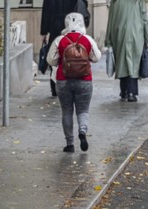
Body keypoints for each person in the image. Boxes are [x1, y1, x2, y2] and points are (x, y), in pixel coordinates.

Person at [47, 12, 102, 153]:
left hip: (63, 80)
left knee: (66, 111)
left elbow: (50, 60)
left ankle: (70, 144)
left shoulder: (60, 40)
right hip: (84, 80)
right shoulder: (87, 39)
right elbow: (96, 58)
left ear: (66, 23)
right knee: (83, 110)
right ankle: (82, 132)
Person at [40, 0, 90, 97]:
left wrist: (44, 31)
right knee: (71, 55)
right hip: (71, 26)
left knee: (54, 55)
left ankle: (54, 87)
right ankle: (69, 84)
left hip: (55, 26)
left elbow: (46, 12)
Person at [105, 0, 148, 103]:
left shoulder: (115, 1)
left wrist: (108, 40)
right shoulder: (138, 1)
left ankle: (124, 91)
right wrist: (147, 37)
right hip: (136, 34)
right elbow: (144, 19)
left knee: (121, 62)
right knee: (133, 64)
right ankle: (132, 92)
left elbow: (110, 20)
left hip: (118, 34)